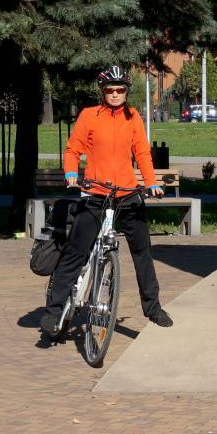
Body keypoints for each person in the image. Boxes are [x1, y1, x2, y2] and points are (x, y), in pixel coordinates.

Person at [40, 65, 173, 336]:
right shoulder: (90, 116)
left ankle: (153, 308)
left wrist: (151, 183)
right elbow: (73, 149)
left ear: (126, 92)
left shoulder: (133, 117)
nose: (114, 94)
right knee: (76, 251)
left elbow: (142, 153)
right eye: (110, 90)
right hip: (96, 192)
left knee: (142, 252)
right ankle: (54, 311)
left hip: (127, 193)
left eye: (120, 90)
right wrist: (71, 173)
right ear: (102, 91)